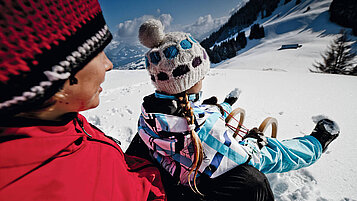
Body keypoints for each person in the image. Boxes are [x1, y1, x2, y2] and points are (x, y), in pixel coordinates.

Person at [126, 19, 340, 201]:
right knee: (253, 180)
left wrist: (222, 107)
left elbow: (193, 116)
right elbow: (260, 157)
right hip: (192, 190)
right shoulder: (204, 130)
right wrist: (315, 144)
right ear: (191, 80)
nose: (203, 78)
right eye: (201, 75)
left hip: (169, 180)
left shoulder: (150, 113)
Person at [0, 1, 165, 201]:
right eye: (99, 52)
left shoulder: (60, 123)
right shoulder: (53, 186)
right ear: (58, 79)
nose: (109, 64)